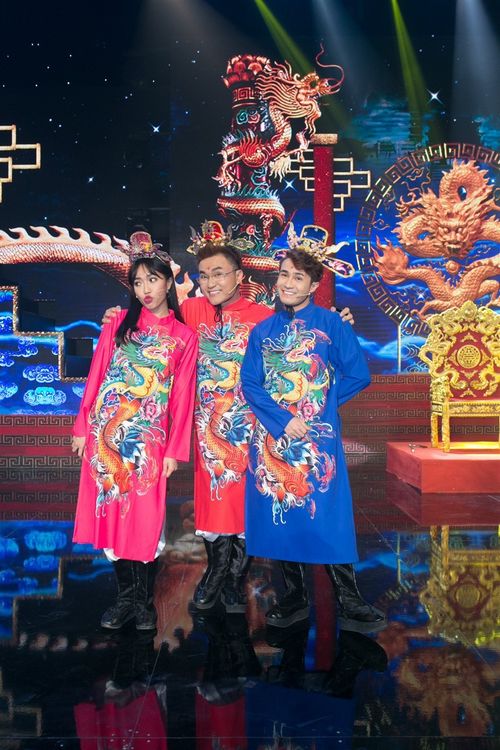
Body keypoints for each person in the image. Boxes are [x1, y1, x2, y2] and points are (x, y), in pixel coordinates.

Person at [102, 221, 354, 617]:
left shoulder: (262, 316)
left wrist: (337, 322)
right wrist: (118, 316)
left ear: (239, 276)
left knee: (246, 505)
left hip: (254, 427)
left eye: (218, 273)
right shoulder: (191, 312)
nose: (210, 282)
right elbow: (156, 320)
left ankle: (234, 581)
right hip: (209, 429)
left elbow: (302, 333)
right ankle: (217, 572)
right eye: (203, 275)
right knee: (214, 503)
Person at [240, 227, 387, 633]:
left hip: (316, 441)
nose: (288, 283)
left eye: (298, 277)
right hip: (272, 438)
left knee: (329, 515)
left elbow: (357, 374)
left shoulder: (331, 324)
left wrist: (320, 408)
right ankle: (293, 597)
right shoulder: (262, 332)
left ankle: (349, 599)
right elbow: (250, 384)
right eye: (284, 274)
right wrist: (283, 419)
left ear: (315, 284)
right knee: (281, 510)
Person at [71, 231, 198, 631]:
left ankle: (144, 603)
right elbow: (96, 379)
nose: (145, 290)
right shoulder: (118, 325)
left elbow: (182, 399)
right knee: (110, 515)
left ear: (168, 282)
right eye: (138, 282)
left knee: (144, 520)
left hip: (148, 442)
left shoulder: (184, 337)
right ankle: (125, 599)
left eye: (152, 280)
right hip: (104, 436)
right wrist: (82, 427)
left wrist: (174, 450)